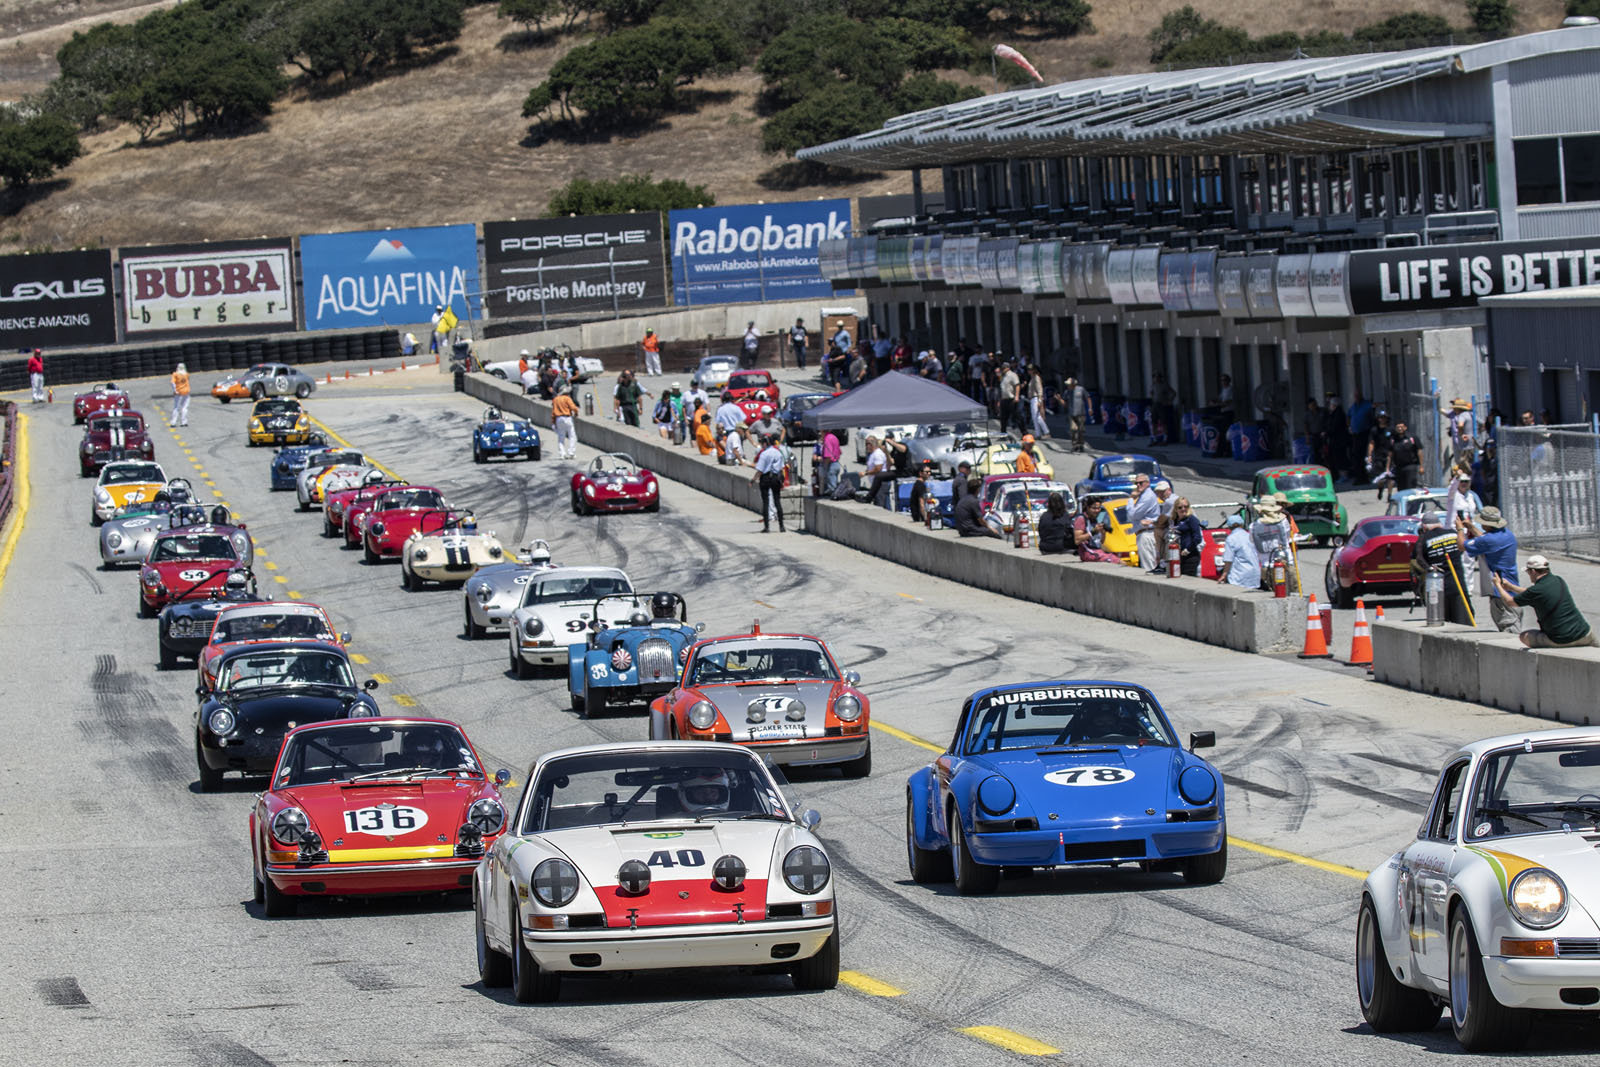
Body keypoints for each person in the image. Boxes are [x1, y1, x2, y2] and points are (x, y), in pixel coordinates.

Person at [1495, 554, 1597, 648]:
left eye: (1528, 572)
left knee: (1524, 636)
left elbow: (1510, 602)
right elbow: (1531, 594)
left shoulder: (1536, 591)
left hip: (1561, 639)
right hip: (1584, 633)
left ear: (1533, 571)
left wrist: (1498, 585)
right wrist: (1512, 588)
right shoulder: (1558, 580)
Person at [1459, 506, 1520, 632]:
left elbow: (1461, 545)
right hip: (1510, 585)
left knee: (1509, 628)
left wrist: (1459, 528)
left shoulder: (1489, 540)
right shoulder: (1507, 534)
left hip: (1500, 592)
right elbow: (1484, 539)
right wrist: (1471, 527)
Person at [1249, 498, 1292, 590]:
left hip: (1265, 566)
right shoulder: (1283, 522)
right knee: (1292, 590)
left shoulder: (1253, 526)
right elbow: (1287, 538)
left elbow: (1253, 542)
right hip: (1285, 562)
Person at [751, 435, 786, 533]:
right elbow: (781, 468)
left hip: (765, 478)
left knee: (766, 503)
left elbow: (760, 470)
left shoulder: (764, 454)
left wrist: (753, 480)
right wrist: (782, 481)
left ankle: (767, 527)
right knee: (777, 502)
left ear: (766, 443)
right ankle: (781, 526)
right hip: (776, 478)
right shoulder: (778, 453)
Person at [1217, 514, 1261, 590]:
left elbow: (1228, 559)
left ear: (1229, 526)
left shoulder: (1231, 538)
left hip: (1240, 575)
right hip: (1254, 574)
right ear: (1242, 524)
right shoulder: (1249, 535)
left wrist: (1224, 575)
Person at [1128, 473, 1159, 571]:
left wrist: (1131, 499)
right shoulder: (1144, 496)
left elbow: (1132, 515)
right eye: (1136, 483)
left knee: (1148, 567)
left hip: (1146, 534)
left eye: (1141, 483)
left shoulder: (1147, 496)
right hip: (1146, 533)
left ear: (1148, 483)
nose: (1138, 485)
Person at [1168, 497, 1204, 576]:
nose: (1183, 509)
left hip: (1189, 555)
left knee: (1187, 577)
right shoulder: (1174, 520)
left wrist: (1188, 549)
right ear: (1176, 509)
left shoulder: (1191, 519)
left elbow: (1197, 537)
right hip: (1176, 554)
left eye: (1186, 506)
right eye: (1180, 507)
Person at [1367, 410, 1395, 501]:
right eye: (1381, 418)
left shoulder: (1391, 430)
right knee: (1380, 478)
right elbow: (1371, 443)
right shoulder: (1374, 430)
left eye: (1384, 418)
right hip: (1379, 456)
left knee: (1390, 477)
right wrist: (1370, 456)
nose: (1382, 419)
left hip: (1389, 456)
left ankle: (1390, 495)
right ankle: (1380, 489)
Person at [1390, 420, 1422, 490]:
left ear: (1405, 428)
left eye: (1401, 427)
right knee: (1401, 488)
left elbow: (1419, 451)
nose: (1399, 429)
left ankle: (1411, 500)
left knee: (1410, 486)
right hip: (1399, 467)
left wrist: (1421, 466)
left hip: (1410, 466)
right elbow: (1390, 454)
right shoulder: (1393, 439)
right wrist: (1388, 467)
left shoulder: (1412, 437)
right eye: (1398, 427)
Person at [551, 388, 579, 459]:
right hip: (567, 418)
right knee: (572, 435)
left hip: (558, 419)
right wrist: (576, 413)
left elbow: (553, 413)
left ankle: (562, 453)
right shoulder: (567, 398)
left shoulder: (555, 399)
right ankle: (571, 452)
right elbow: (574, 408)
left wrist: (553, 423)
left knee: (561, 437)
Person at [1472, 439, 1498, 508]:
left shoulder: (1497, 461)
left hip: (1496, 489)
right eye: (1489, 448)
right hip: (1486, 491)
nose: (1491, 450)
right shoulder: (1483, 462)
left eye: (1493, 447)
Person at [998, 362, 1021, 435]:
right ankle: (1003, 433)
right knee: (1003, 418)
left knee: (1017, 416)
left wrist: (1017, 396)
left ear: (1008, 368)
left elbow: (1017, 385)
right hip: (1004, 399)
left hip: (1011, 399)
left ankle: (1024, 432)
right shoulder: (1003, 376)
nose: (1002, 369)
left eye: (1004, 368)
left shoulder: (1012, 375)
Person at [816, 429, 842, 494]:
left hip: (831, 465)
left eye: (820, 432)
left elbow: (828, 456)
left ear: (823, 431)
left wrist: (822, 462)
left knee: (832, 489)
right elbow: (840, 452)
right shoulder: (834, 437)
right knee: (835, 486)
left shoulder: (827, 439)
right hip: (837, 464)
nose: (820, 434)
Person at [1067, 377, 1089, 452]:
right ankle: (1074, 444)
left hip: (1081, 413)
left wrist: (1090, 408)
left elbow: (1087, 398)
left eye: (1069, 384)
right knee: (1073, 429)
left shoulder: (1081, 389)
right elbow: (1064, 403)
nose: (1068, 386)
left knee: (1081, 430)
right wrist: (1059, 400)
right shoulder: (1067, 392)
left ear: (1073, 384)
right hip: (1072, 414)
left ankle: (1081, 444)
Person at [170, 362, 190, 427]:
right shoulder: (186, 374)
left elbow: (172, 383)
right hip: (186, 392)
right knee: (184, 408)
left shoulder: (175, 374)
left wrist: (175, 390)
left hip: (179, 392)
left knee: (176, 408)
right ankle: (184, 422)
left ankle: (173, 423)